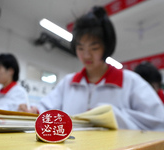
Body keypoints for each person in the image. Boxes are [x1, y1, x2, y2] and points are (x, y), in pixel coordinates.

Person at [18, 6, 164, 130]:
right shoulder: (69, 83)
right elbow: (47, 107)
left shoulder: (129, 82)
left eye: (94, 48)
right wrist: (34, 111)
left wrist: (116, 116)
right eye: (80, 48)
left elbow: (158, 122)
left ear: (106, 47)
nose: (86, 55)